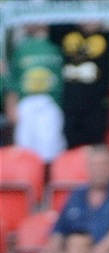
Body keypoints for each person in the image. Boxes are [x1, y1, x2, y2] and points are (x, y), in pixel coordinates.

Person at [50, 21, 109, 150]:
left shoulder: (107, 37)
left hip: (97, 103)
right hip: (71, 102)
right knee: (71, 144)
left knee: (95, 144)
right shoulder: (66, 33)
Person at [5, 23, 65, 163]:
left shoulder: (57, 46)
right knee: (25, 150)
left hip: (50, 102)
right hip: (25, 102)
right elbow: (13, 80)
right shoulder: (21, 49)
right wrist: (11, 105)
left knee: (50, 147)